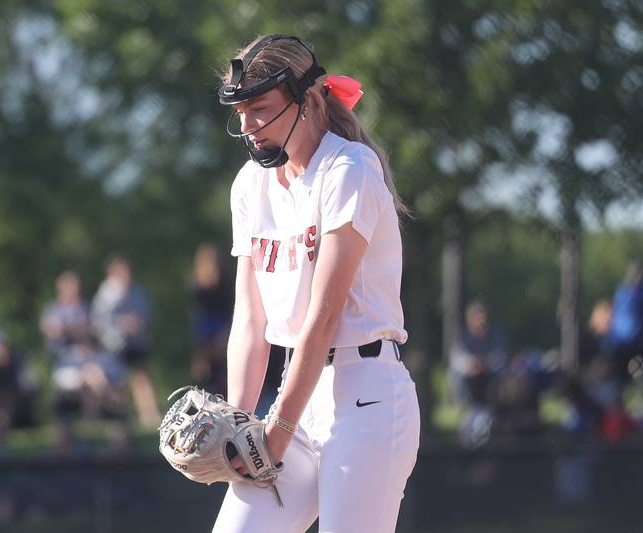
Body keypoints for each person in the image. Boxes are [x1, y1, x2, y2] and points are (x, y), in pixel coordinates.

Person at [211, 34, 420, 533]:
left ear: (307, 100)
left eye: (259, 108)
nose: (246, 126)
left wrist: (276, 433)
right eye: (240, 111)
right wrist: (235, 426)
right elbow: (249, 320)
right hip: (299, 394)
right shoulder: (250, 185)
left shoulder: (348, 169)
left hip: (366, 396)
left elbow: (323, 319)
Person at [91, 256, 161, 427]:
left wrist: (139, 323)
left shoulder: (137, 292)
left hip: (135, 343)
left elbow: (148, 315)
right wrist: (123, 323)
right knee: (117, 382)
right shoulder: (106, 295)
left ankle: (149, 416)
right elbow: (99, 321)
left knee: (142, 378)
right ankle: (118, 418)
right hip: (113, 345)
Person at [448, 300, 508, 446]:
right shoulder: (463, 338)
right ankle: (463, 407)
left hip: (489, 383)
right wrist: (471, 365)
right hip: (469, 386)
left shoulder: (494, 337)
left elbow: (500, 358)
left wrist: (484, 364)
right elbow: (456, 359)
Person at [190, 243, 233, 398]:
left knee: (222, 362)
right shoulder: (197, 282)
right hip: (206, 325)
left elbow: (228, 305)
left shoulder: (224, 281)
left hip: (220, 324)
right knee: (204, 366)